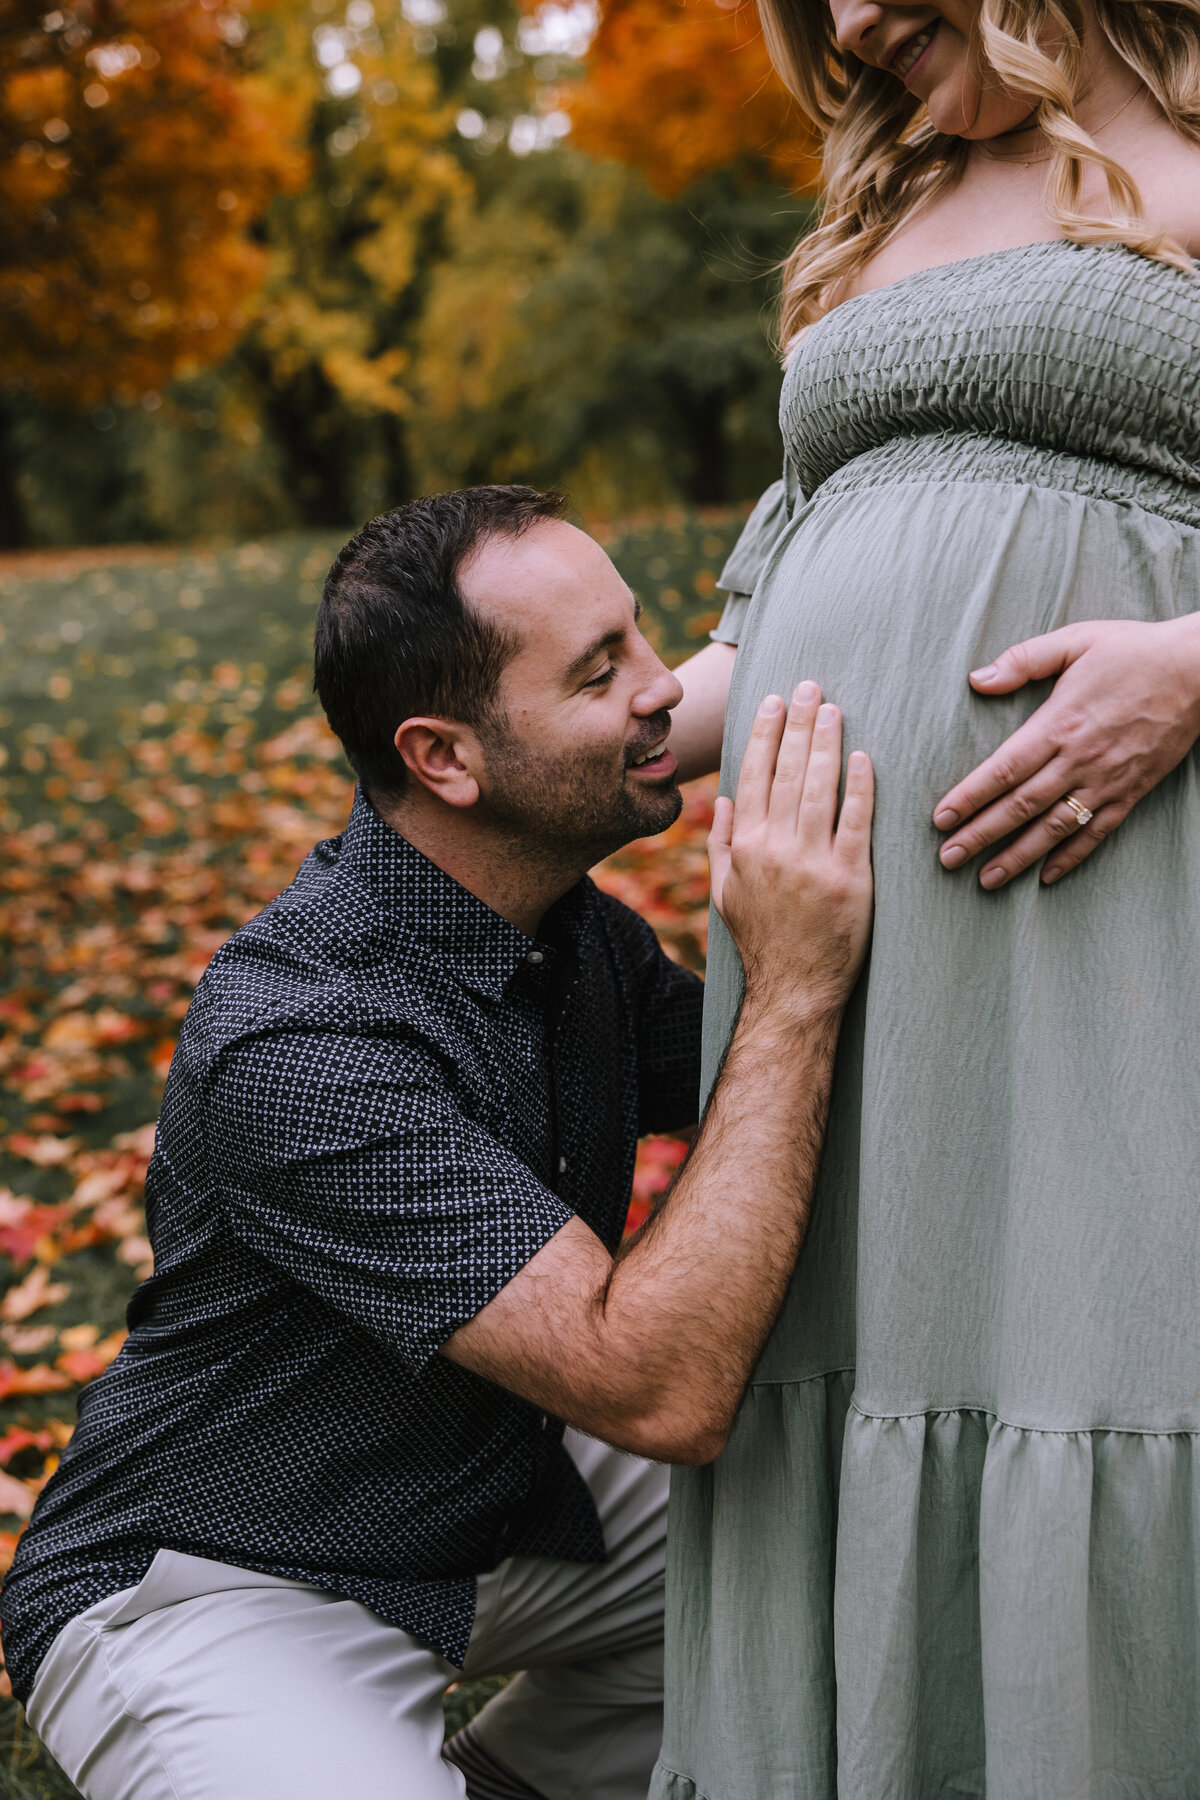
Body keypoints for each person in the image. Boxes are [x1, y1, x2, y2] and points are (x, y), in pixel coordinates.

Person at [0, 485, 875, 1800]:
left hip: (487, 1485)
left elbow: (777, 1110)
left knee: (845, 1539)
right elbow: (656, 1388)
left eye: (643, 637)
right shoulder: (300, 1042)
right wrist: (795, 982)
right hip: (225, 1581)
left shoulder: (566, 926)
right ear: (446, 758)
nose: (664, 693)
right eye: (601, 672)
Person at [651, 0, 1200, 1793]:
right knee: (851, 1355)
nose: (858, 18)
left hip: (1118, 910)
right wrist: (614, 730)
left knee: (1095, 1339)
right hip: (844, 957)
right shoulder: (883, 211)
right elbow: (785, 574)